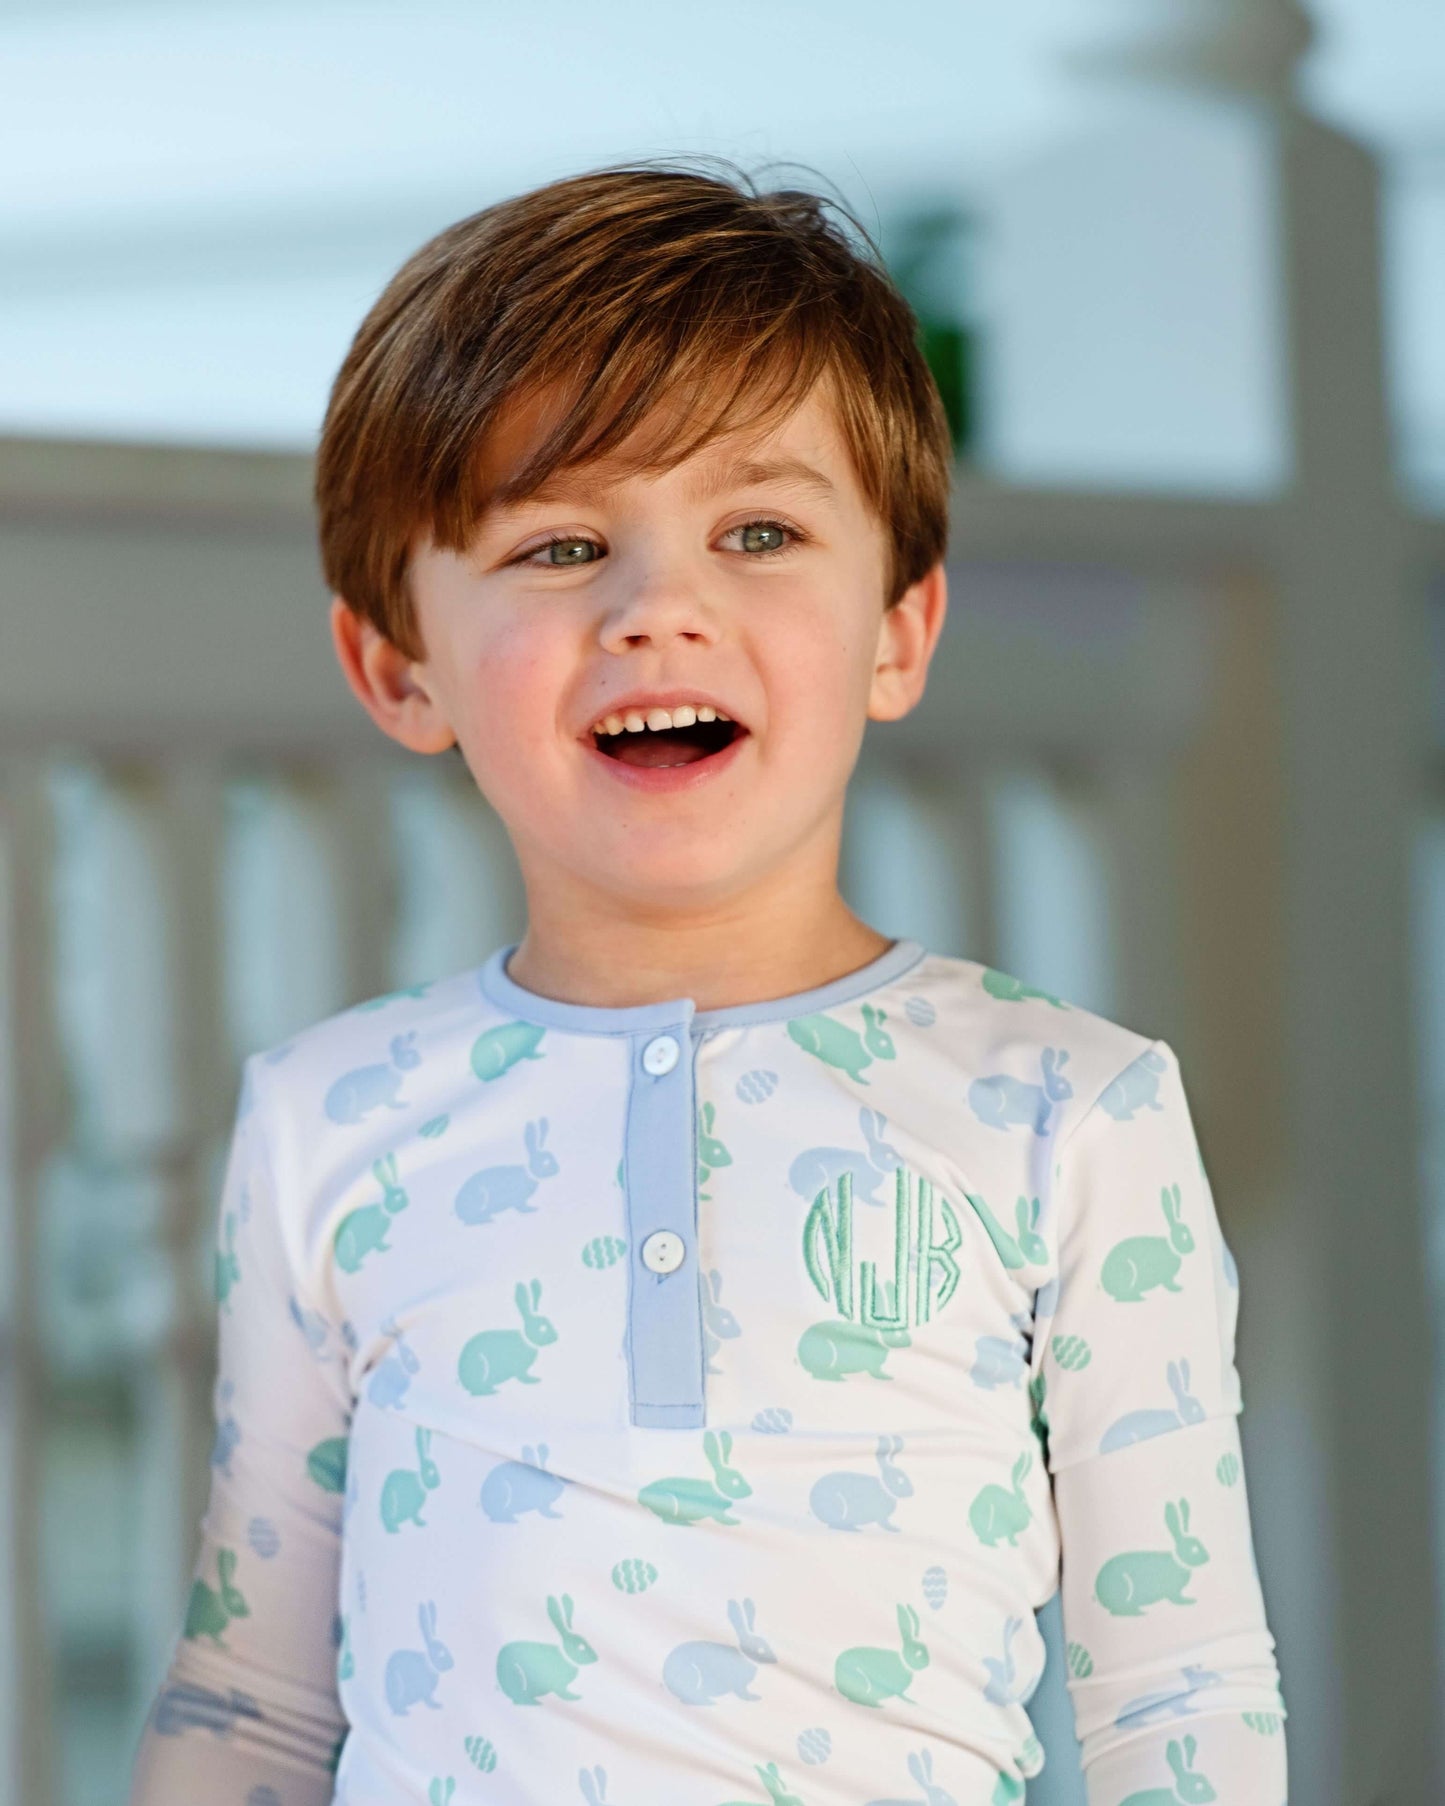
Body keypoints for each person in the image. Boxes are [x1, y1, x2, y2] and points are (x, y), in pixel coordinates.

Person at [127, 157, 1287, 1806]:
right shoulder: (328, 1120)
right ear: (398, 665)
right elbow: (249, 1702)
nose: (658, 607)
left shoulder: (1070, 1112)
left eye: (758, 531)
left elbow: (1181, 1699)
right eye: (560, 543)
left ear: (896, 633)